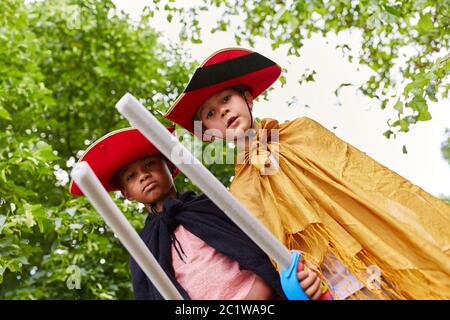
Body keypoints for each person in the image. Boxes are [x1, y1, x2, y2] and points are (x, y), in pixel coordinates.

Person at [164, 47, 450, 299]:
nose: (223, 112)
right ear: (209, 134)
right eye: (210, 114)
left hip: (379, 244)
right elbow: (277, 253)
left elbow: (366, 182)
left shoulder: (302, 131)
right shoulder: (241, 189)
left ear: (248, 98)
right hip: (336, 280)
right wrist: (298, 282)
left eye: (226, 99)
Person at [69, 127, 331, 300]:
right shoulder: (142, 248)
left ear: (171, 168)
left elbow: (261, 249)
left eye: (150, 165)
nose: (144, 175)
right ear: (126, 193)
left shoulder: (213, 205)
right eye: (131, 176)